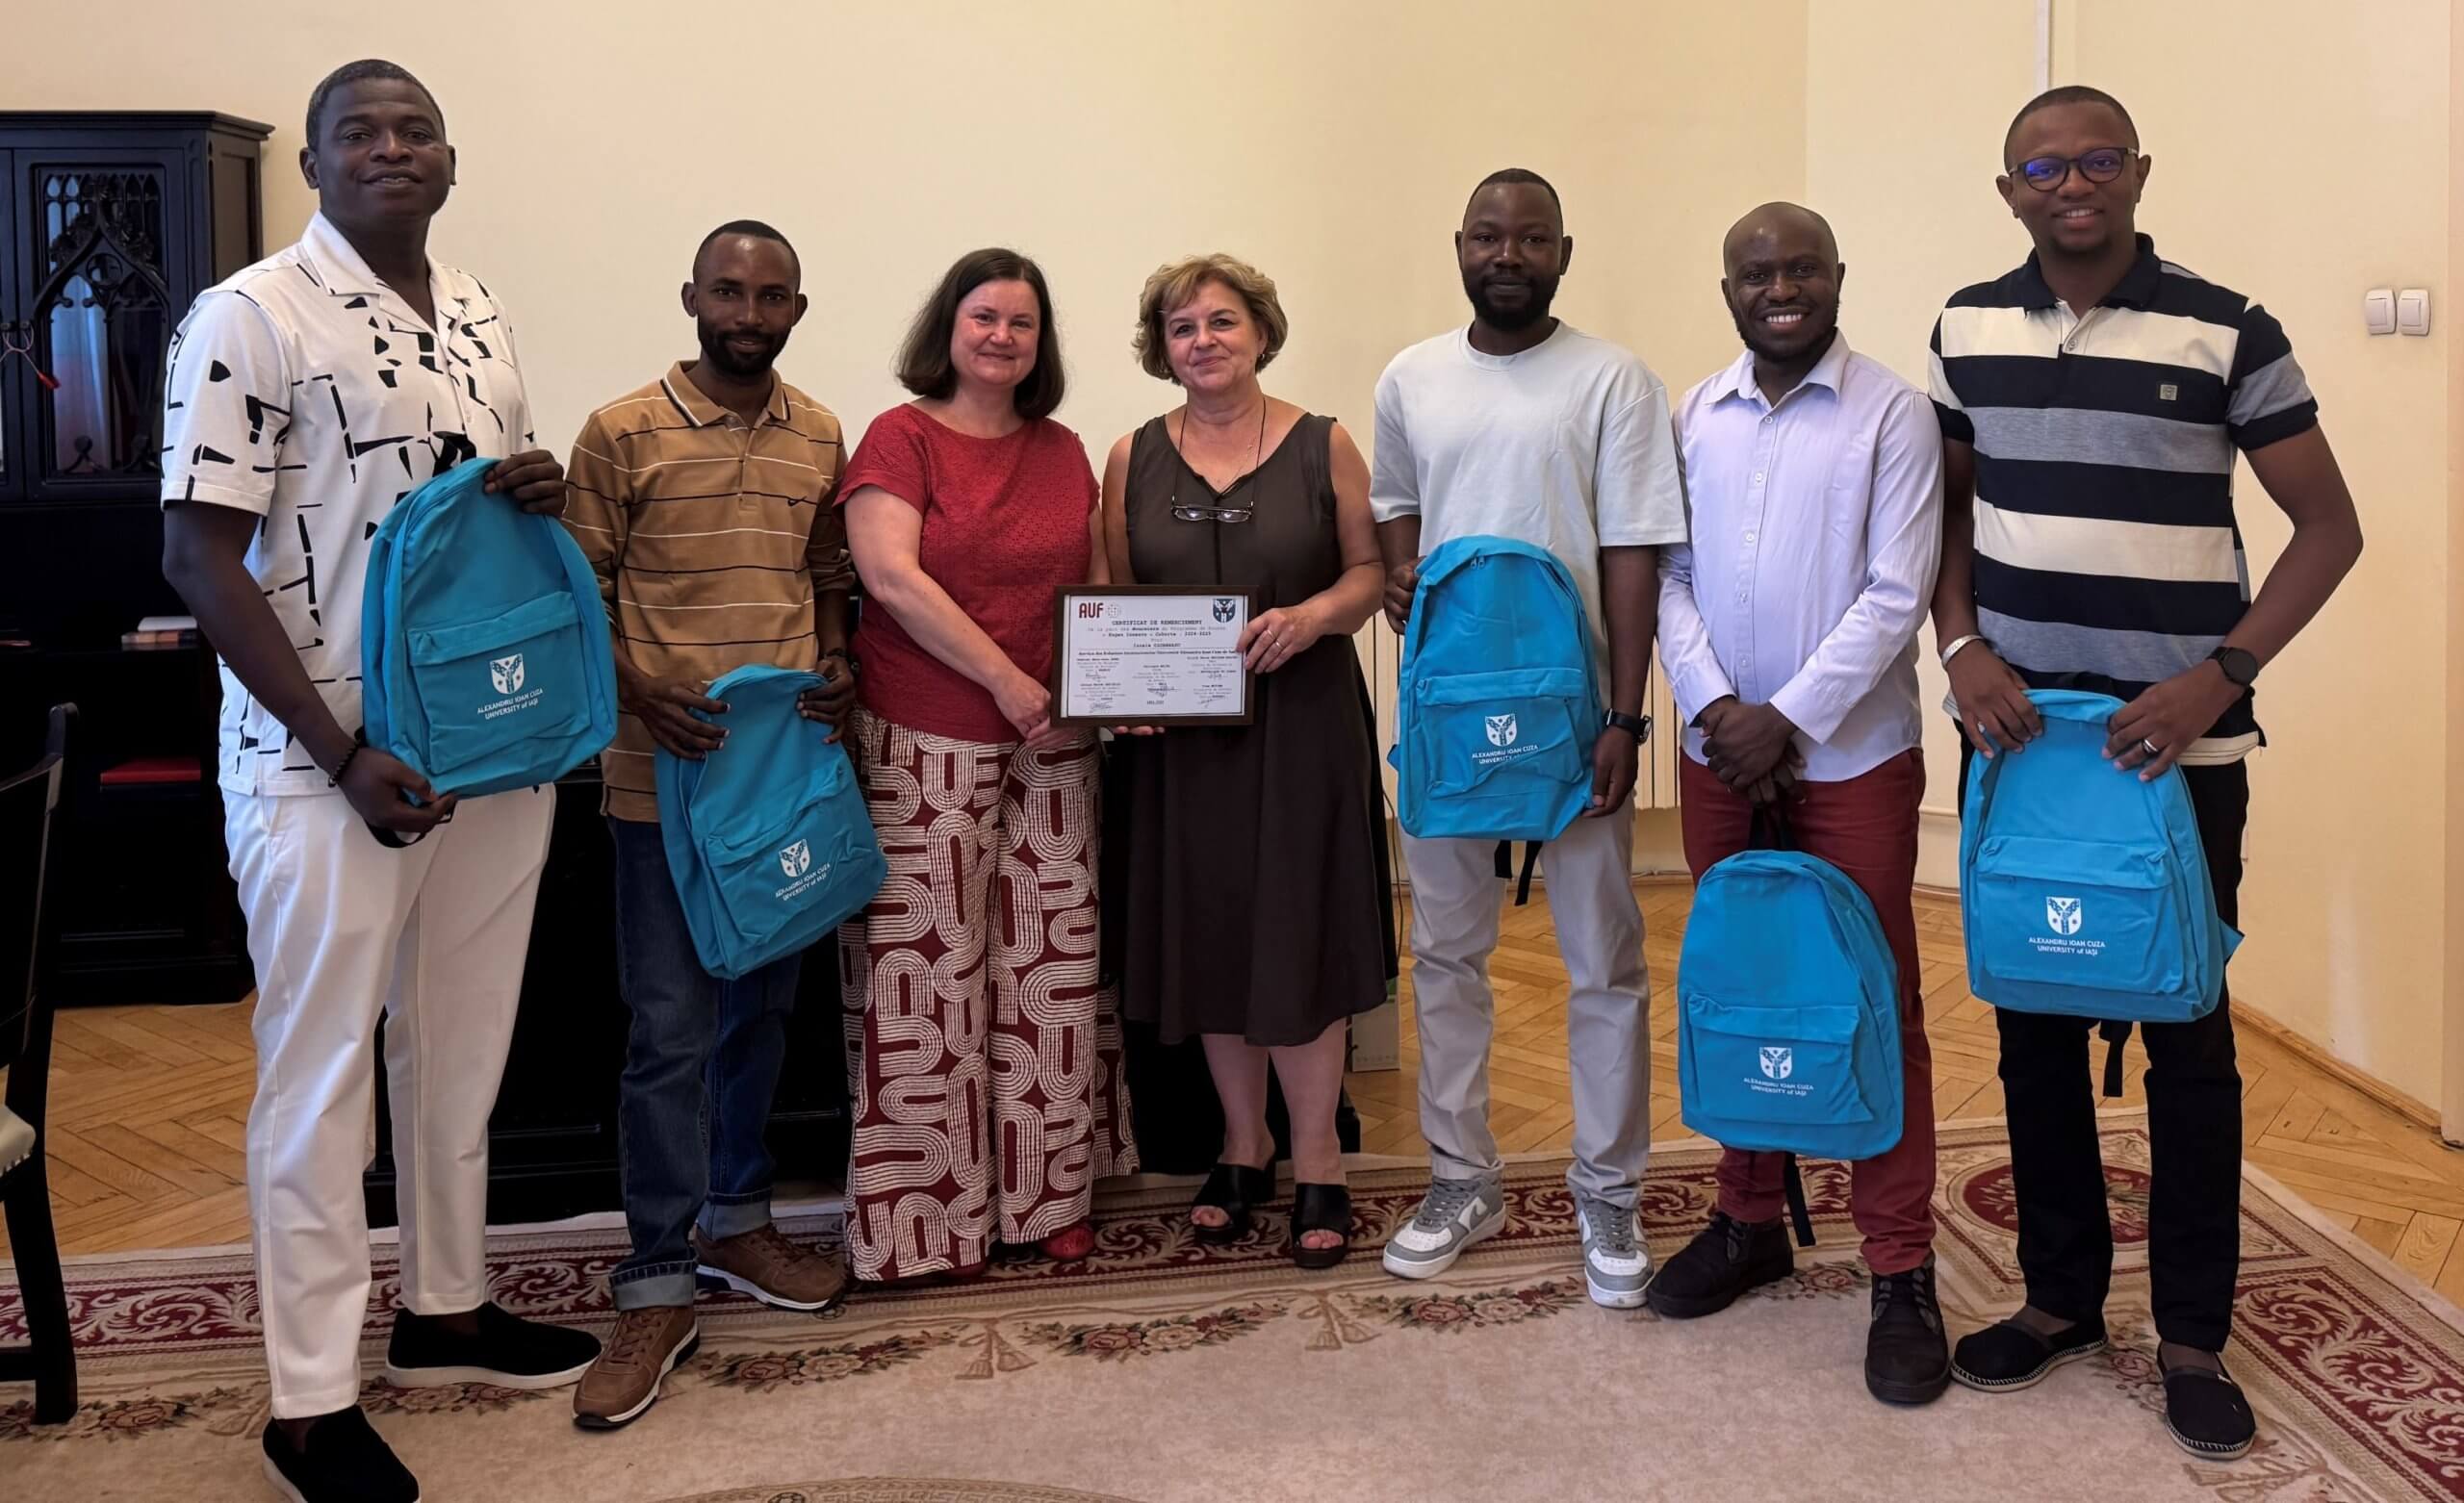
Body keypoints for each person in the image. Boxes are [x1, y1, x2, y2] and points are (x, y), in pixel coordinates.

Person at [157, 59, 600, 1503]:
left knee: (460, 1044)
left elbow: (456, 514)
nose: (391, 149)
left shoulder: (477, 307)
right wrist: (338, 752)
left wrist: (534, 487)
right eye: (360, 132)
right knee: (322, 1075)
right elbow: (197, 555)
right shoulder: (250, 314)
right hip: (329, 762)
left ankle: (447, 1304)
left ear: (452, 163)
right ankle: (308, 1400)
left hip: (486, 746)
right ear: (314, 164)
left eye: (417, 131)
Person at [1930, 86, 2363, 1459]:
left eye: (2097, 160)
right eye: (2043, 166)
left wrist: (2216, 675)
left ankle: (2189, 1331)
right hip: (2020, 744)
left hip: (2180, 756)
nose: (2073, 184)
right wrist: (1961, 647)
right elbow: (1943, 515)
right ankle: (2058, 1296)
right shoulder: (1965, 326)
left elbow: (2327, 528)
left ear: (2137, 173)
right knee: (2032, 1026)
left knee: (2188, 1033)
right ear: (2008, 189)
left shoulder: (2228, 329)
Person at [558, 221, 859, 1429]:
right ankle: (655, 1278)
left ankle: (739, 1221)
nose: (747, 311)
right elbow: (574, 590)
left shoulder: (820, 432)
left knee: (761, 1015)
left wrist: (836, 659)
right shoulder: (620, 430)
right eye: (727, 290)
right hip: (658, 788)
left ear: (797, 310)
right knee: (669, 1032)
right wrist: (638, 691)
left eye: (770, 295)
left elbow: (824, 575)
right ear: (691, 297)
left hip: (778, 783)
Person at [1648, 203, 1949, 1402]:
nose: (1781, 288)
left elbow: (1896, 591)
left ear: (1837, 277)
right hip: (1721, 754)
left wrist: (1788, 717)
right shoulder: (1693, 413)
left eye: (1802, 268)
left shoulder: (1892, 412)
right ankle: (1749, 1217)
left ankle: (1900, 1265)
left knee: (1876, 1000)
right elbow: (1668, 574)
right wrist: (1721, 708)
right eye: (1756, 273)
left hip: (1852, 757)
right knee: (1739, 985)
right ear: (1726, 288)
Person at [1372, 169, 1686, 1309]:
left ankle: (1608, 1186)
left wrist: (1623, 716)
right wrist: (1402, 572)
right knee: (1445, 952)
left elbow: (1635, 550)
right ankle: (1463, 1177)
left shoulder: (1612, 378)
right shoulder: (1410, 375)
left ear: (1563, 252)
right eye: (1488, 236)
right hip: (1449, 720)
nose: (1508, 254)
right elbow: (1394, 503)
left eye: (1532, 237)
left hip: (1575, 722)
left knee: (1602, 959)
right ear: (1459, 245)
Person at [836, 248, 1138, 1284]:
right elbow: (890, 578)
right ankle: (927, 1223)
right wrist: (1008, 679)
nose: (1002, 336)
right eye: (984, 317)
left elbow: (1097, 583)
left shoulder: (1063, 449)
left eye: (1022, 322)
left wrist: (1116, 686)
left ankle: (1051, 1197)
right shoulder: (901, 436)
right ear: (949, 328)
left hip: (1055, 745)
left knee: (1049, 974)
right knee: (927, 979)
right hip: (926, 740)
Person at [1101, 254, 1387, 1266]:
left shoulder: (1324, 442)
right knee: (1214, 935)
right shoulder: (1131, 456)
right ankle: (1242, 1143)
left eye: (1222, 321)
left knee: (1298, 934)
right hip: (1183, 747)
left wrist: (1311, 617)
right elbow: (1111, 595)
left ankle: (1320, 1159)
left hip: (1303, 726)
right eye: (1182, 327)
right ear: (1162, 349)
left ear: (1261, 332)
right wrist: (1120, 695)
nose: (1203, 341)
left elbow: (1369, 573)